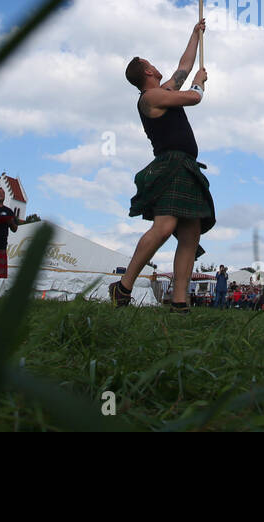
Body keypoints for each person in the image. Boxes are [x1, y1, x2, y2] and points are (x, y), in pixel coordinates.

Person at [110, 19, 213, 315]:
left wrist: (195, 34)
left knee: (191, 234)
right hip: (171, 165)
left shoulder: (163, 89)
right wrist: (199, 84)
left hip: (186, 165)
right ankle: (124, 286)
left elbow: (183, 65)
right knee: (165, 226)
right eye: (150, 63)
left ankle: (179, 300)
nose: (155, 65)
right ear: (147, 71)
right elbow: (193, 97)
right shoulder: (151, 97)